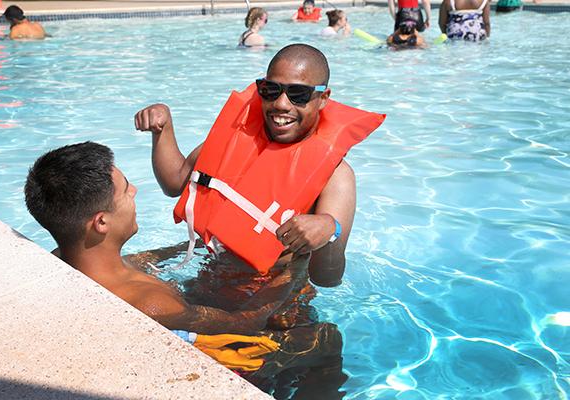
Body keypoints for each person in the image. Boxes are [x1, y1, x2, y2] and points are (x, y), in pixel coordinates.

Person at [25, 141, 345, 386]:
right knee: (327, 337)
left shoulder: (67, 262)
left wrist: (200, 240)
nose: (134, 190)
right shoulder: (152, 304)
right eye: (125, 190)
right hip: (206, 352)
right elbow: (247, 321)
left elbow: (145, 260)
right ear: (101, 223)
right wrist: (293, 266)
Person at [134, 44, 385, 329]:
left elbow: (327, 278)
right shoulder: (237, 140)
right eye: (270, 90)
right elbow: (175, 181)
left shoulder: (335, 176)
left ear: (323, 98)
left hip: (274, 309)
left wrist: (329, 230)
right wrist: (162, 129)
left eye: (299, 94)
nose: (281, 104)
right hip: (209, 278)